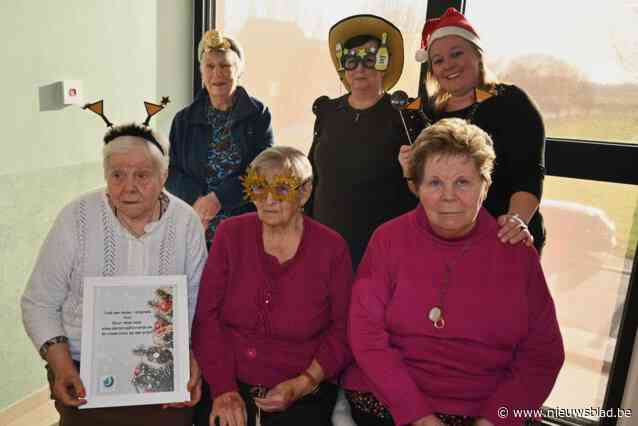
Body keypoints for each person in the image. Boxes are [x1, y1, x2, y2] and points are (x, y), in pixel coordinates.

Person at [343, 118, 564, 426]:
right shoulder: (388, 239)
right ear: (417, 187)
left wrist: (492, 421)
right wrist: (419, 417)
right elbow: (366, 336)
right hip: (391, 403)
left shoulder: (515, 250)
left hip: (487, 409)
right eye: (435, 182)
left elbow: (543, 354)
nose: (449, 196)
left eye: (463, 182)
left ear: (484, 187)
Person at [21, 123, 207, 426]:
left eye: (142, 175)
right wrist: (62, 366)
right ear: (106, 176)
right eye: (117, 175)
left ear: (164, 177)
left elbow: (199, 304)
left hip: (165, 374)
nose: (128, 187)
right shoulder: (76, 217)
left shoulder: (186, 222)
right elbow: (39, 302)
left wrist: (192, 357)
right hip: (84, 372)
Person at [191, 147, 353, 426]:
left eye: (281, 189)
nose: (268, 200)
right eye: (258, 187)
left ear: (305, 192)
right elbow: (207, 316)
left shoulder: (331, 247)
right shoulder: (231, 234)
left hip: (304, 387)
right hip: (228, 379)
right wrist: (223, 389)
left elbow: (343, 328)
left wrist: (304, 383)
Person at [399, 7, 545, 252]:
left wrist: (515, 221)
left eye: (456, 54)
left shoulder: (510, 102)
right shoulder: (429, 112)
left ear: (478, 56)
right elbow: (424, 187)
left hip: (503, 236)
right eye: (438, 60)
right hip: (446, 239)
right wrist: (409, 171)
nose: (448, 65)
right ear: (432, 70)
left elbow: (529, 175)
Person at [307, 14, 424, 269]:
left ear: (384, 63)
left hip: (383, 252)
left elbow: (426, 185)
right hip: (325, 247)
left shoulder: (407, 115)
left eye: (370, 60)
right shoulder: (327, 112)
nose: (360, 68)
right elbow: (311, 175)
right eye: (351, 61)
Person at [166, 29, 274, 246]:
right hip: (196, 222)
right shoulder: (183, 119)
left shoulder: (258, 114)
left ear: (239, 70)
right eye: (210, 66)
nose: (217, 74)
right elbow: (172, 171)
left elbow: (263, 170)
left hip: (245, 224)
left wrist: (219, 198)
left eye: (225, 66)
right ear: (201, 72)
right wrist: (199, 202)